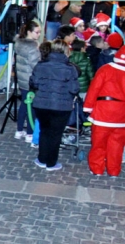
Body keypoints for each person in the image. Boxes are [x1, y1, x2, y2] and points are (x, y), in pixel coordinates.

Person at [29, 40, 80, 171]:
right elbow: (74, 89)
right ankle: (51, 163)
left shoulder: (40, 66)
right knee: (56, 134)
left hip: (41, 103)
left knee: (45, 131)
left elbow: (33, 83)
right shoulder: (70, 68)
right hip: (61, 105)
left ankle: (42, 159)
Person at [84, 46, 125, 177]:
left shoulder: (105, 69)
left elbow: (94, 89)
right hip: (121, 114)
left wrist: (88, 107)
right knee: (117, 145)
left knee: (98, 143)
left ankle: (97, 169)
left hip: (103, 111)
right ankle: (114, 170)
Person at [14, 21, 41, 142]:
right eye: (37, 32)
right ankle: (30, 133)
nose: (39, 34)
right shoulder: (32, 47)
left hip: (22, 80)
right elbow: (36, 65)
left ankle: (19, 130)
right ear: (29, 32)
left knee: (24, 106)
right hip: (31, 80)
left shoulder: (19, 43)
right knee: (32, 107)